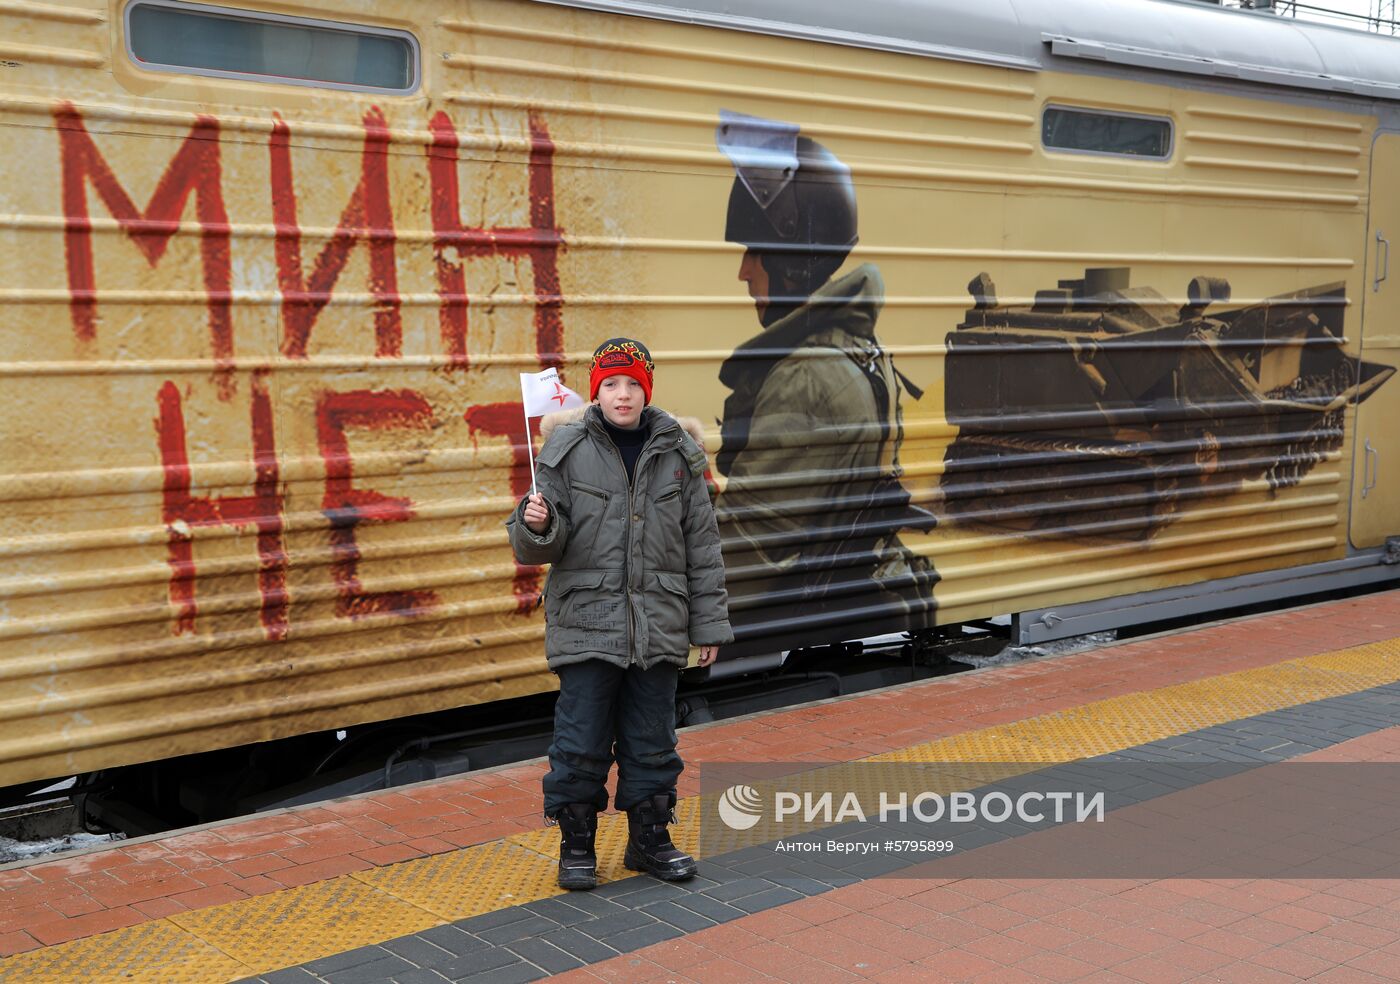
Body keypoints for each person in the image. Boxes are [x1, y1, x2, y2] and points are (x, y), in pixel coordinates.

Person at [507, 338, 732, 890]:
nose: (622, 394)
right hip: (587, 622)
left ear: (647, 389)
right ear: (596, 391)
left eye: (633, 383)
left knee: (653, 739)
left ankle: (648, 840)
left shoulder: (679, 453)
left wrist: (708, 626)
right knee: (579, 740)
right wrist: (537, 526)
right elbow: (534, 545)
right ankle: (576, 845)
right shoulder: (564, 449)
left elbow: (702, 545)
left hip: (658, 622)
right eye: (610, 384)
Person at [712, 111, 938, 658]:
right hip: (859, 597)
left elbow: (744, 563)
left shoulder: (808, 379)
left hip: (796, 620)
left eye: (754, 251)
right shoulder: (857, 348)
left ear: (792, 262)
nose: (743, 271)